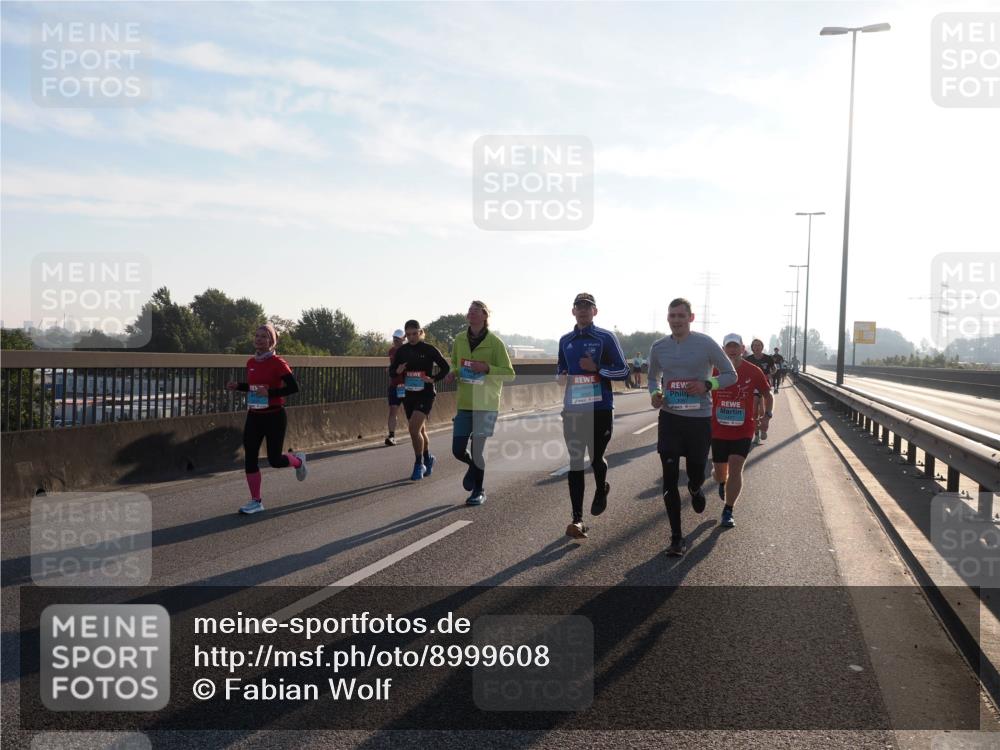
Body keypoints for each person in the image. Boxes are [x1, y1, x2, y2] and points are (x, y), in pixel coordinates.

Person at [648, 298, 737, 556]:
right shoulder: (659, 347)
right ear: (668, 318)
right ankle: (677, 537)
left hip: (698, 420)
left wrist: (707, 385)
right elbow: (653, 378)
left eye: (681, 316)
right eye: (672, 315)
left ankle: (696, 488)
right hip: (670, 418)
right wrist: (655, 394)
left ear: (691, 318)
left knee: (696, 473)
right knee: (669, 478)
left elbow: (731, 375)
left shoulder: (705, 343)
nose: (676, 320)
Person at [557, 292, 629, 539]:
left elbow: (623, 371)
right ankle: (577, 520)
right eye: (579, 306)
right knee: (576, 461)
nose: (583, 310)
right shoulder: (565, 340)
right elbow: (561, 367)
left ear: (595, 312)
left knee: (596, 458)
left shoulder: (605, 338)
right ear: (573, 311)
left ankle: (601, 487)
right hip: (573, 409)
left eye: (588, 307)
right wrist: (561, 375)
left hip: (600, 408)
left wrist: (597, 369)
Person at [226, 323, 307, 515]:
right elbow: (256, 388)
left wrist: (270, 392)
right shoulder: (251, 363)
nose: (259, 339)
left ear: (271, 341)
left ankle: (298, 461)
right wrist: (239, 386)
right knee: (250, 458)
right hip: (254, 416)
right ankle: (256, 501)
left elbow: (293, 388)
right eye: (257, 336)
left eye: (264, 336)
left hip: (274, 416)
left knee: (275, 460)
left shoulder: (278, 363)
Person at [444, 301, 515, 506]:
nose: (471, 314)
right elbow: (457, 366)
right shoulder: (459, 339)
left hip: (487, 404)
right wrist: (452, 374)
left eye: (476, 311)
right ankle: (473, 467)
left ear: (485, 316)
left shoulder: (495, 342)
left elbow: (510, 374)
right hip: (465, 402)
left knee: (477, 449)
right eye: (469, 311)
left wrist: (487, 368)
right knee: (458, 450)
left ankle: (479, 490)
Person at [712, 334, 774, 528]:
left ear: (742, 348)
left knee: (736, 467)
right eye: (728, 347)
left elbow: (767, 393)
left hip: (743, 428)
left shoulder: (753, 371)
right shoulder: (714, 371)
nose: (732, 350)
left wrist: (767, 416)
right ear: (723, 349)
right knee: (720, 472)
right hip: (718, 428)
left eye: (735, 347)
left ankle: (728, 510)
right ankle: (722, 482)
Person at [391, 320, 450, 481]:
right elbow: (392, 372)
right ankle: (428, 458)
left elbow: (445, 367)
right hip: (409, 394)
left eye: (414, 333)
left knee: (413, 429)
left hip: (426, 394)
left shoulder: (429, 349)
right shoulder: (402, 351)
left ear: (420, 332)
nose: (411, 337)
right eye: (408, 335)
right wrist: (397, 370)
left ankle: (419, 464)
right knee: (420, 431)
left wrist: (433, 379)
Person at [743, 338, 775, 444]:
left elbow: (774, 368)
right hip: (753, 387)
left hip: (765, 386)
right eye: (755, 345)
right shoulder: (748, 359)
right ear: (752, 348)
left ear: (762, 347)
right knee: (754, 412)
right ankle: (756, 434)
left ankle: (764, 428)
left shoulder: (768, 358)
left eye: (759, 345)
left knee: (763, 411)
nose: (757, 347)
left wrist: (770, 374)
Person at [385, 329, 406, 446]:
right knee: (393, 410)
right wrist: (390, 368)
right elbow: (393, 365)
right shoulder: (391, 351)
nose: (395, 340)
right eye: (394, 338)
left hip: (407, 386)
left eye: (398, 338)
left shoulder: (408, 351)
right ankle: (391, 435)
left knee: (411, 412)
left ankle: (417, 432)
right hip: (395, 385)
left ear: (403, 339)